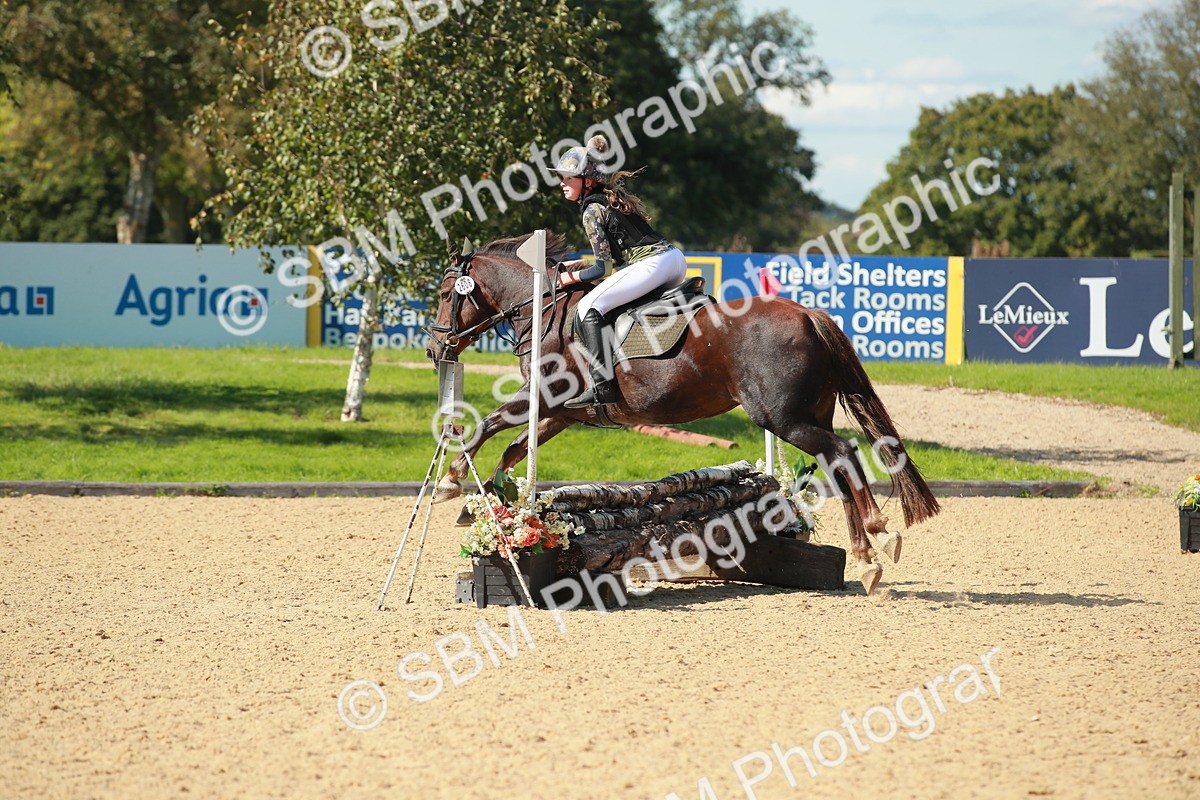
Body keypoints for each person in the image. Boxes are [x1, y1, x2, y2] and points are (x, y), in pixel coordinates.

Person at [550, 134, 688, 408]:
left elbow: (604, 269)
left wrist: (569, 277)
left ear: (587, 181)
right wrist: (573, 266)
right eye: (562, 178)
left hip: (652, 264)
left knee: (588, 306)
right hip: (673, 260)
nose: (562, 184)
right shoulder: (608, 199)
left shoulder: (591, 210)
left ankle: (602, 386)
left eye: (568, 178)